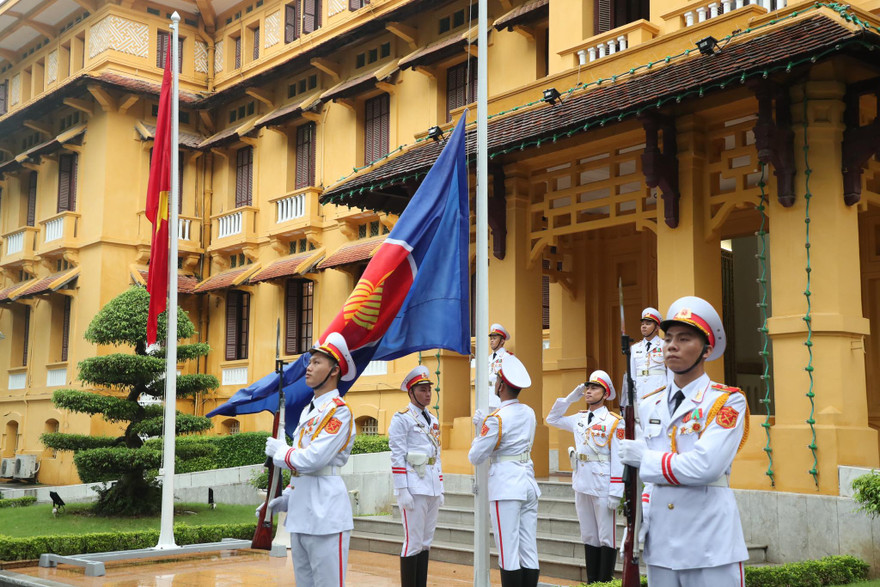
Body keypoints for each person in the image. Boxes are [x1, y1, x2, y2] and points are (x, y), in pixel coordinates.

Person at [619, 297, 750, 586]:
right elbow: (644, 482)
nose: (671, 345)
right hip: (661, 541)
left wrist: (646, 459)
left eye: (684, 338)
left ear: (707, 350)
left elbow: (705, 466)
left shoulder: (727, 402)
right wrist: (637, 522)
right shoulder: (649, 404)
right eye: (668, 338)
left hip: (709, 543)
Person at [265, 332, 357, 587]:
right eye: (310, 361)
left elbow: (315, 459)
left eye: (317, 362)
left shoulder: (339, 411)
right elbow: (301, 465)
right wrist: (289, 495)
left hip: (326, 513)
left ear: (334, 371)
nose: (309, 368)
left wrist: (280, 452)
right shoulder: (309, 409)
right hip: (302, 511)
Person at [468, 352, 541, 587]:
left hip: (506, 485)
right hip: (528, 483)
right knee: (528, 548)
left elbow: (475, 455)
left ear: (500, 386)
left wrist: (481, 429)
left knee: (508, 552)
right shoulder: (528, 412)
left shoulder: (496, 419)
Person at [546, 370, 623, 583]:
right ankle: (592, 581)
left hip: (603, 482)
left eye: (594, 388)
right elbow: (552, 418)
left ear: (605, 393)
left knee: (606, 536)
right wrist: (572, 397)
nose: (588, 391)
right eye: (587, 387)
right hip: (582, 481)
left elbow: (618, 458)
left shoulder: (614, 421)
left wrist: (617, 491)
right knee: (589, 534)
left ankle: (604, 581)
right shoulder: (579, 418)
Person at [388, 365, 445, 587]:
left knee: (426, 543)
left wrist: (441, 487)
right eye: (422, 390)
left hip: (431, 486)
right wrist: (402, 490)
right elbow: (397, 456)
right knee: (412, 543)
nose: (428, 394)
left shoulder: (433, 419)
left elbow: (437, 456)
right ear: (411, 392)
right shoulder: (402, 418)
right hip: (413, 486)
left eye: (429, 389)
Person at [626, 307, 667, 406]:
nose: (644, 326)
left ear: (657, 328)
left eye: (648, 324)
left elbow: (671, 372)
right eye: (642, 324)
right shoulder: (635, 348)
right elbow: (633, 374)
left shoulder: (664, 345)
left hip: (659, 390)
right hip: (641, 391)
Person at [487, 323, 510, 410]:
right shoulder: (488, 358)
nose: (491, 341)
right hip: (486, 398)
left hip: (498, 399)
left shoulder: (507, 357)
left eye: (495, 338)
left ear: (502, 341)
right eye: (491, 338)